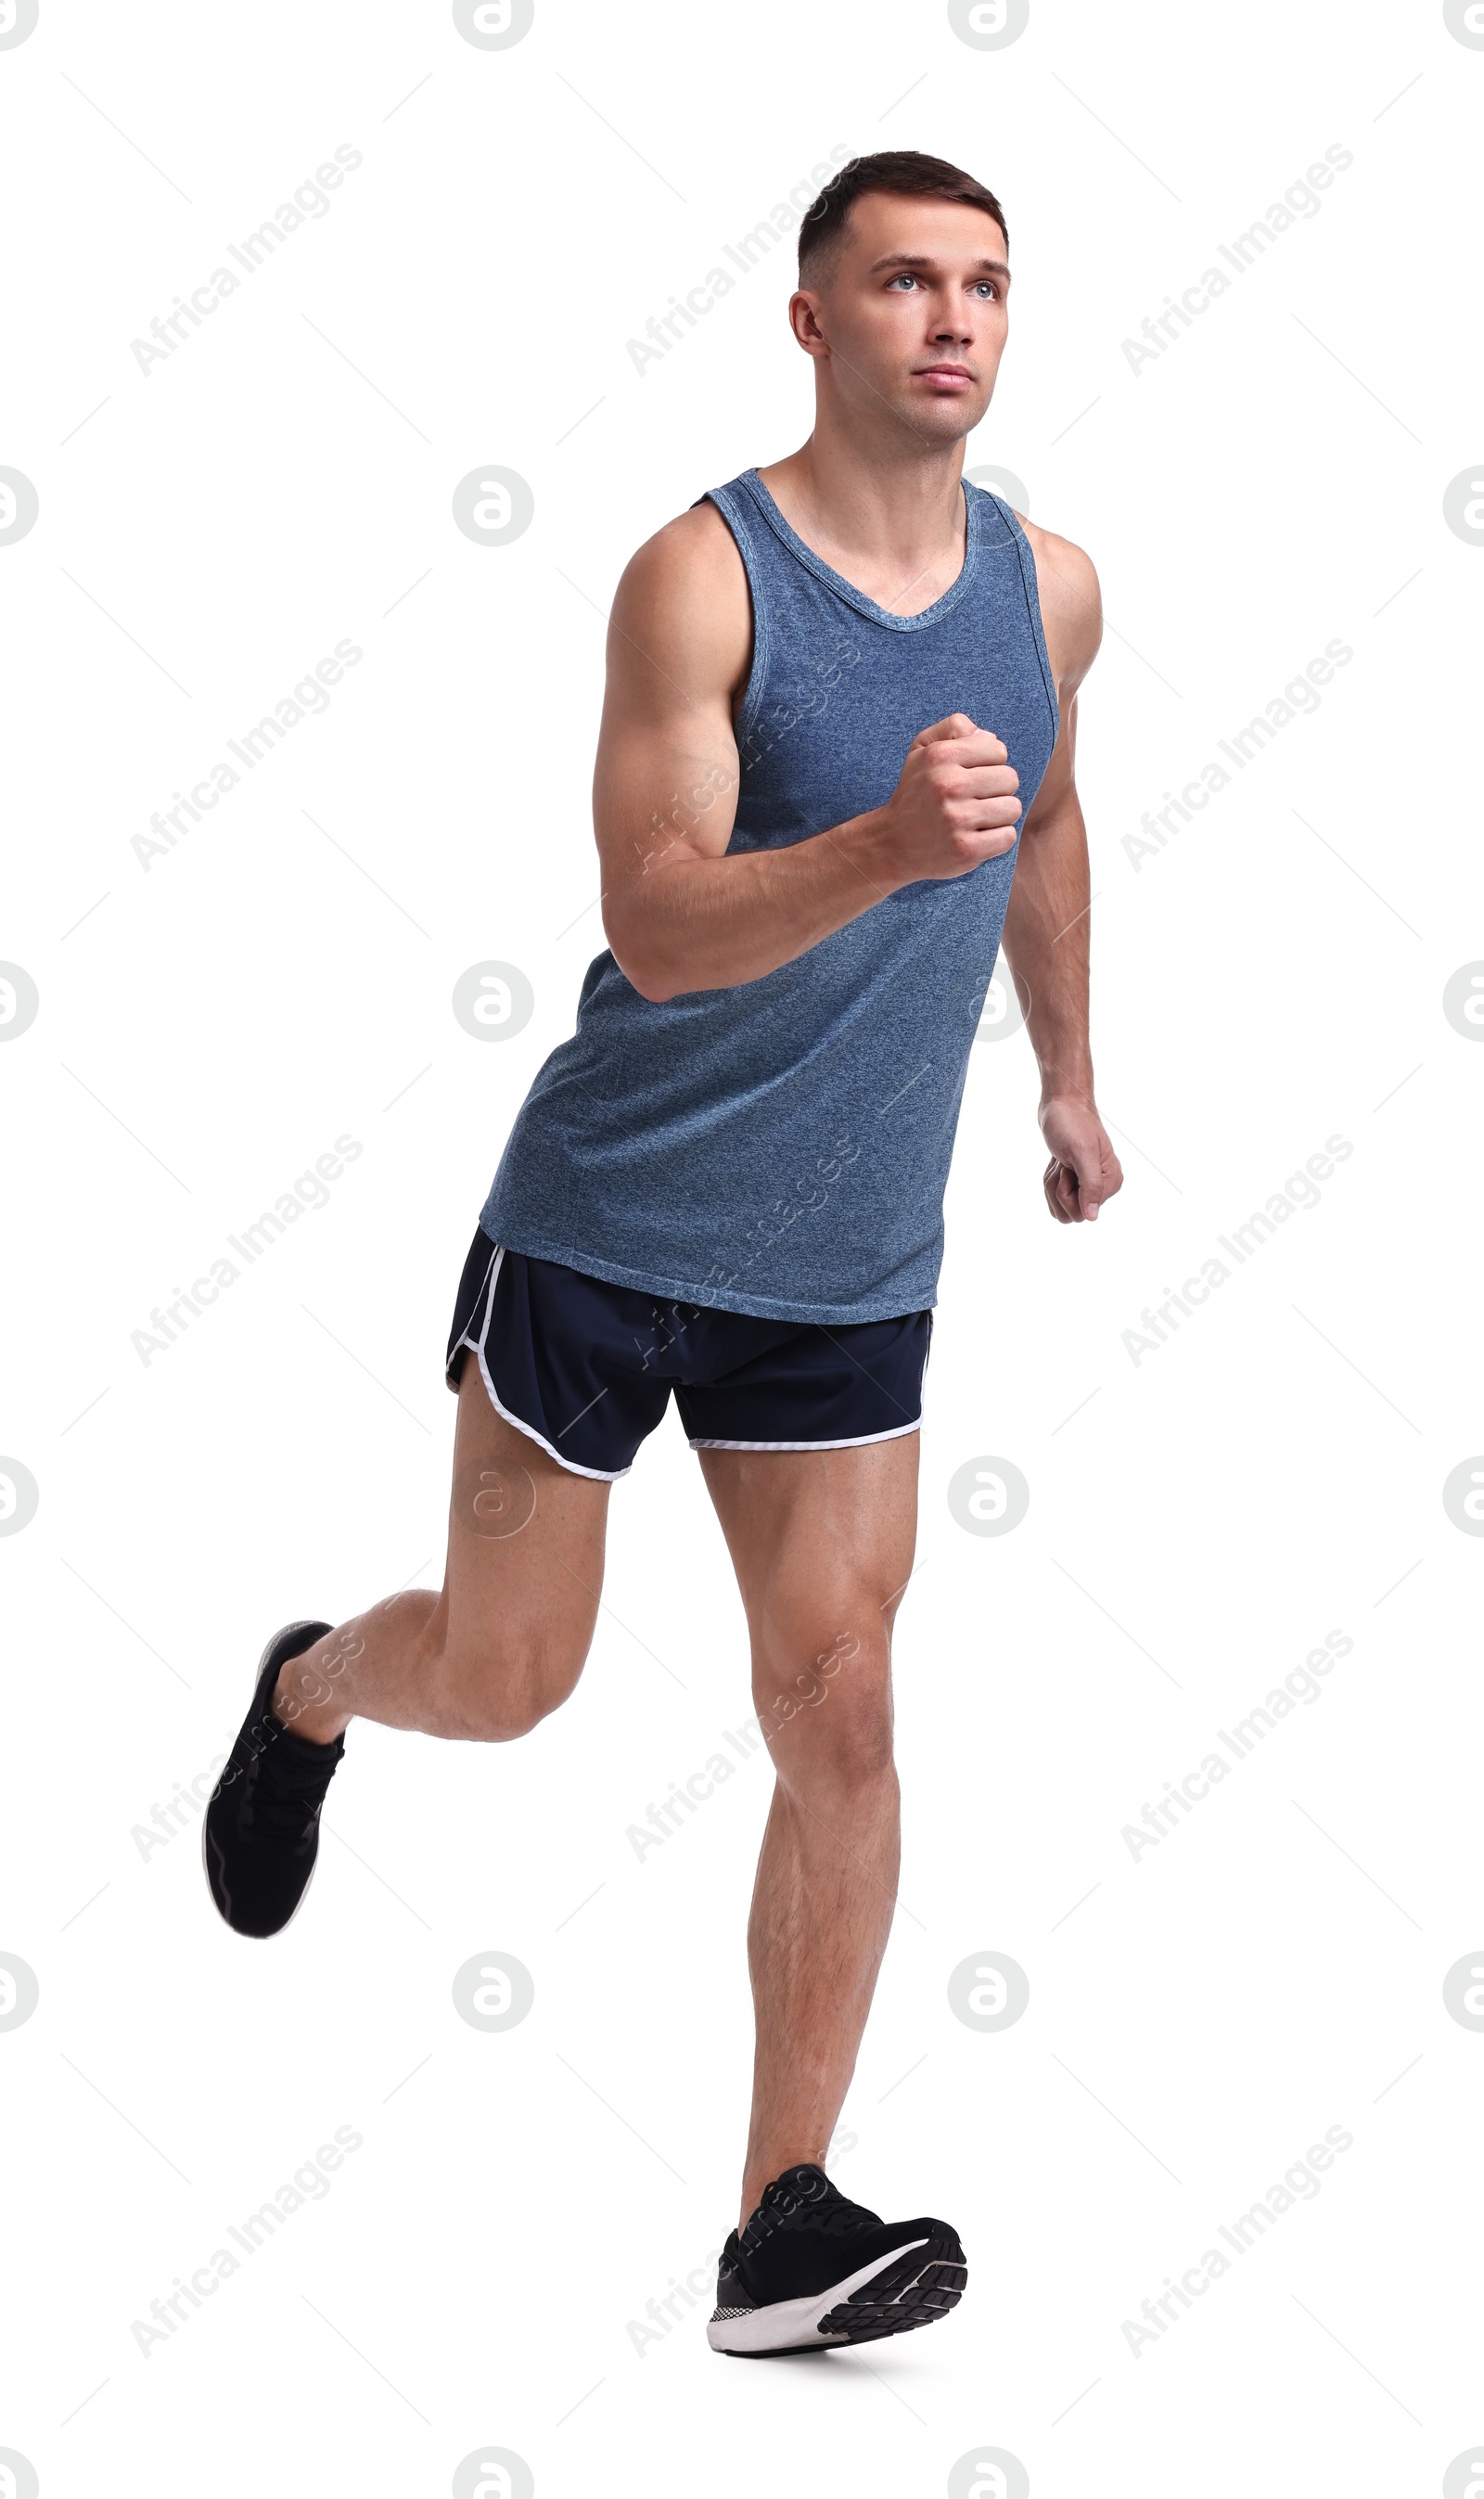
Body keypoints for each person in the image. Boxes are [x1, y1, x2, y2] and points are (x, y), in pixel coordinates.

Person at [204, 147, 1122, 2357]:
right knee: (514, 1684)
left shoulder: (1054, 587)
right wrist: (882, 841)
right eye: (901, 279)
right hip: (613, 1225)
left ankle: (775, 2226)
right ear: (811, 320)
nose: (950, 319)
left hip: (851, 1260)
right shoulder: (698, 581)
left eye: (983, 284)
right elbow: (656, 917)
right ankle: (312, 1686)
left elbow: (1049, 812)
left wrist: (1066, 1074)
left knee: (843, 1708)